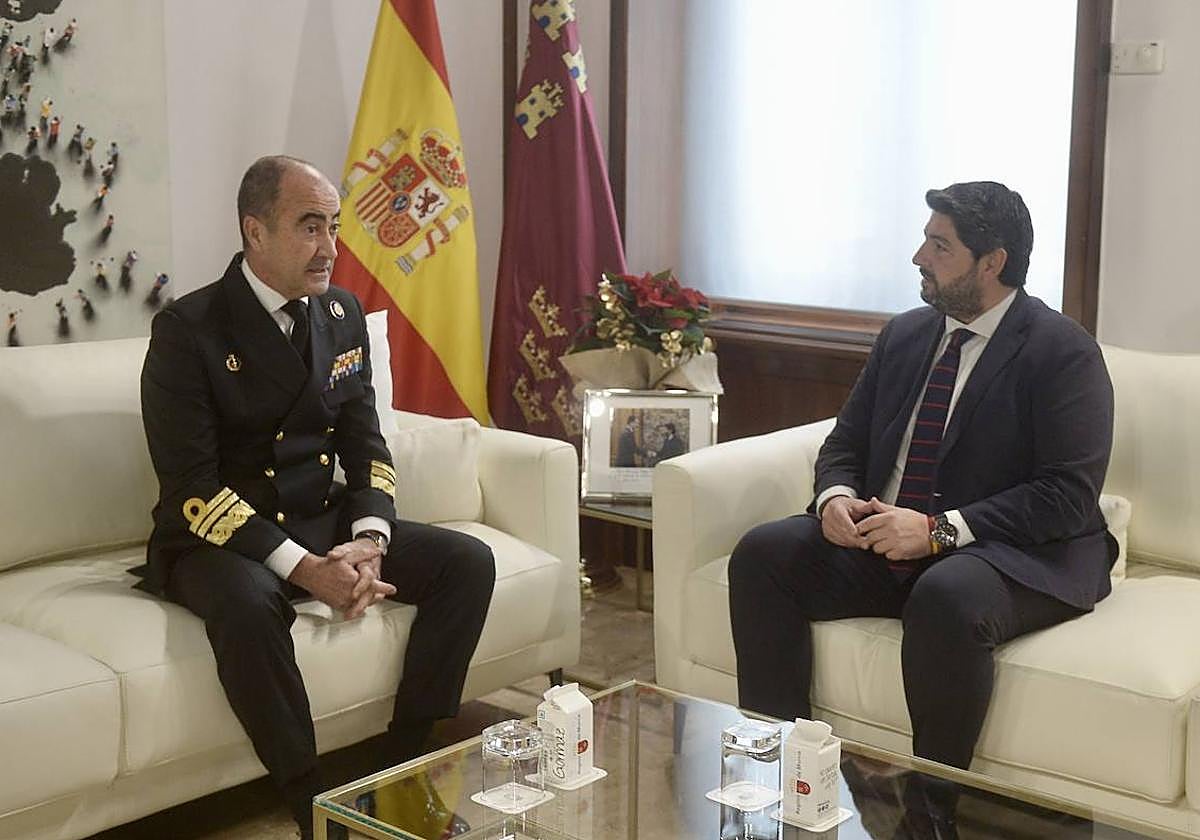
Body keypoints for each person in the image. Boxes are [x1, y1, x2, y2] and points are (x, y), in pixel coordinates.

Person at [728, 182, 1115, 839]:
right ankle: (791, 777)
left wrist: (938, 531)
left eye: (940, 246)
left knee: (947, 593)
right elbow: (845, 443)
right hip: (892, 539)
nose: (918, 257)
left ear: (991, 263)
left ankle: (928, 817)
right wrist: (835, 498)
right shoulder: (906, 334)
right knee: (763, 554)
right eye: (925, 240)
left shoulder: (1062, 352)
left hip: (1011, 553)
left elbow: (1066, 494)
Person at [136, 155, 496, 840]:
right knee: (248, 607)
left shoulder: (340, 311)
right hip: (222, 538)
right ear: (255, 231)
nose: (330, 247)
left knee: (467, 562)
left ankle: (403, 768)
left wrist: (370, 540)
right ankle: (312, 804)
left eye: (333, 226)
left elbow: (365, 441)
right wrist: (305, 569)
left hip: (318, 516)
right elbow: (192, 487)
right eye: (309, 226)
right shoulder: (190, 329)